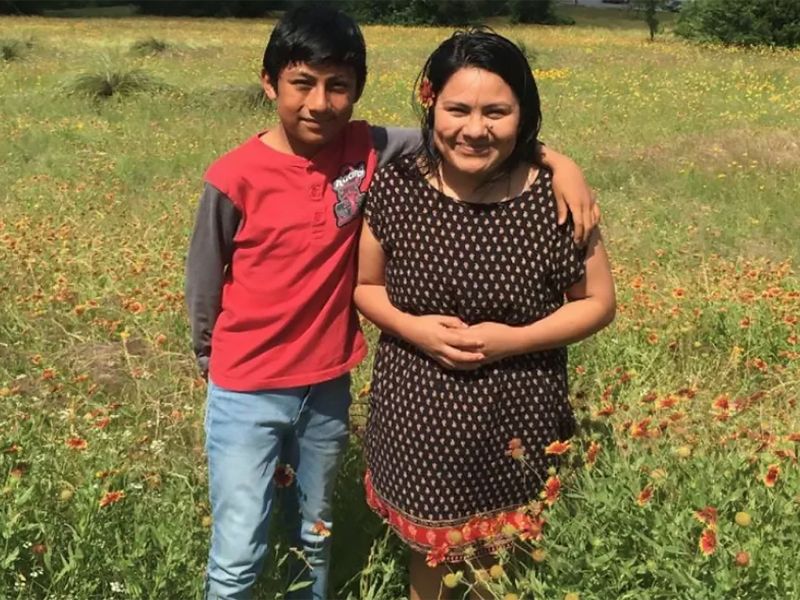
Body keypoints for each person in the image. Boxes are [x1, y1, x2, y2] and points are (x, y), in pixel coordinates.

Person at [185, 5, 599, 599]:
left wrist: (559, 161)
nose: (319, 103)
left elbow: (469, 134)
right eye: (301, 83)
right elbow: (203, 281)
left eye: (339, 87)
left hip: (327, 383)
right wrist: (210, 362)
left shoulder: (368, 147)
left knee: (315, 531)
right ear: (268, 80)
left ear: (357, 91)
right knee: (239, 546)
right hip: (245, 385)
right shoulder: (233, 176)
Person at [354, 28, 617, 600]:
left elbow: (598, 303)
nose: (475, 129)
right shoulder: (397, 187)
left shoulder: (555, 199)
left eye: (497, 111)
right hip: (418, 414)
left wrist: (514, 339)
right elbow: (365, 285)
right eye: (458, 109)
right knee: (431, 561)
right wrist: (411, 327)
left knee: (505, 564)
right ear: (430, 104)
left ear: (525, 115)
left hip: (518, 410)